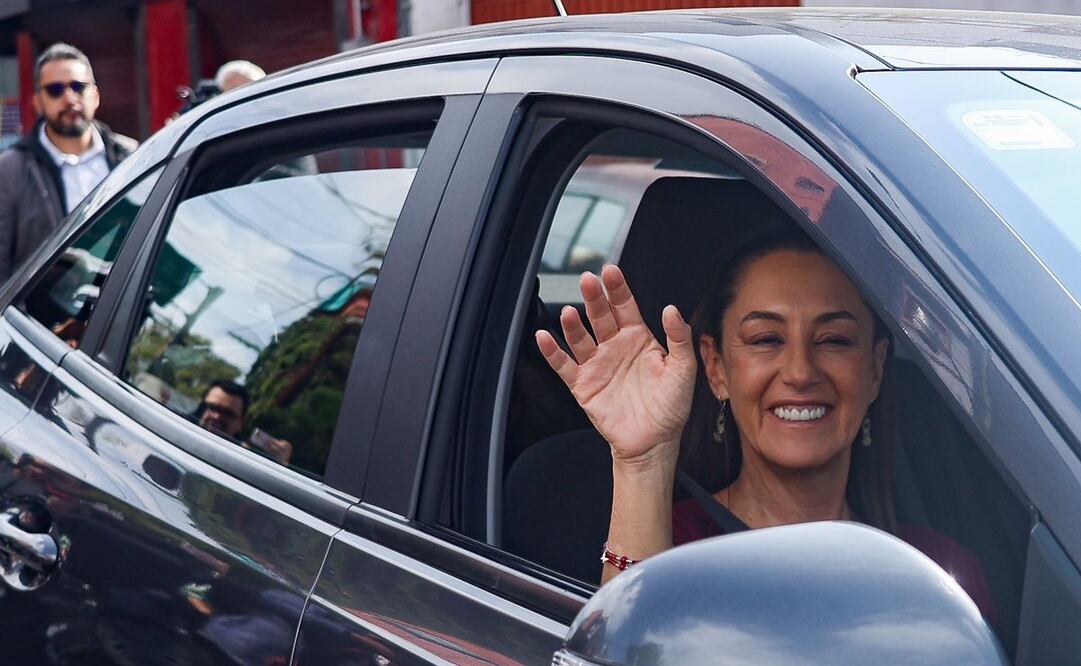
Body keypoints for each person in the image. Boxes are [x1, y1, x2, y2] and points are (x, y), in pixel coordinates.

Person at [535, 231, 994, 619]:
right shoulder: (664, 547)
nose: (800, 372)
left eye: (833, 340)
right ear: (715, 368)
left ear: (875, 370)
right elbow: (626, 645)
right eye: (766, 339)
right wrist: (643, 460)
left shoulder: (941, 575)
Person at [0, 43, 137, 282]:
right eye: (55, 90)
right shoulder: (10, 170)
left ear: (95, 95)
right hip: (39, 317)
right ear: (38, 102)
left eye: (78, 86)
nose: (69, 98)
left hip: (123, 308)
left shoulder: (132, 156)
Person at [197, 380, 293, 466]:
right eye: (212, 408)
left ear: (240, 424)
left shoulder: (244, 461)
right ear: (201, 407)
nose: (216, 417)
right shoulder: (182, 425)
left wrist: (279, 466)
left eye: (228, 414)